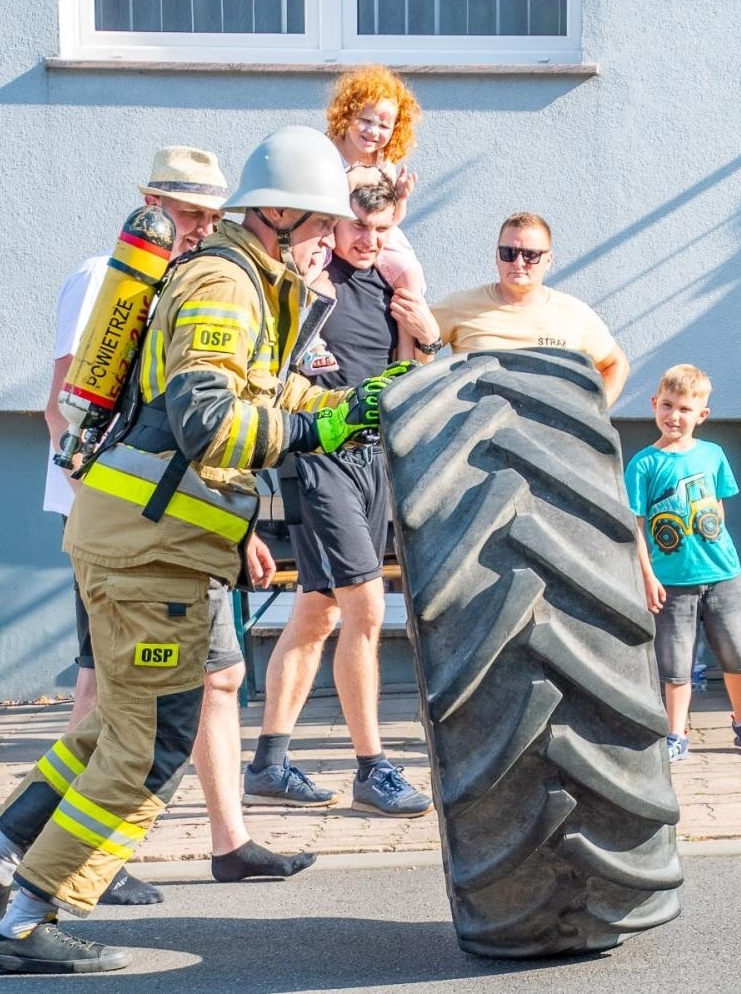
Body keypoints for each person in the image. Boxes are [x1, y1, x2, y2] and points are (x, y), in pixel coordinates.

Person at [0, 126, 411, 974]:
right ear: (274, 213)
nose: (326, 240)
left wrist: (353, 399)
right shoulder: (221, 285)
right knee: (150, 744)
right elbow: (208, 420)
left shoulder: (254, 285)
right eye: (316, 223)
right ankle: (27, 918)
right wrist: (321, 426)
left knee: (113, 732)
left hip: (153, 543)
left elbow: (261, 391)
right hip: (147, 553)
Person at [0, 146, 299, 917]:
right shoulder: (111, 278)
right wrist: (116, 503)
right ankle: (45, 886)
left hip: (165, 530)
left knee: (139, 706)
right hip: (141, 537)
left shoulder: (186, 277)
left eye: (215, 214)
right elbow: (71, 402)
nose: (203, 226)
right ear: (150, 201)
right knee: (130, 722)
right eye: (188, 212)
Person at [244, 174, 435, 817]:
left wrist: (427, 336)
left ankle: (269, 762)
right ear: (330, 223)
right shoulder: (307, 287)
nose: (370, 242)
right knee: (366, 608)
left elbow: (411, 374)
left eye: (382, 232)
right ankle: (371, 767)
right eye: (358, 228)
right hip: (318, 456)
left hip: (372, 459)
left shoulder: (390, 284)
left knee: (318, 611)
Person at [625, 365, 741, 763]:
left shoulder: (713, 455)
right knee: (675, 662)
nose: (674, 416)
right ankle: (676, 732)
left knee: (737, 652)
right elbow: (636, 526)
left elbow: (718, 508)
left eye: (684, 409)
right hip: (671, 583)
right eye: (667, 406)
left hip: (723, 576)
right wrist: (647, 576)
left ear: (702, 415)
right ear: (653, 405)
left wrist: (719, 554)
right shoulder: (643, 464)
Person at [422, 212, 628, 405]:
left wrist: (592, 415)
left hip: (550, 439)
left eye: (530, 255)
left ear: (548, 260)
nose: (518, 263)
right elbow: (416, 355)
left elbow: (616, 365)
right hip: (475, 436)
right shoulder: (459, 305)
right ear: (496, 256)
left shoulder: (575, 314)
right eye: (508, 253)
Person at [325, 65, 439, 362]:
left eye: (384, 126)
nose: (372, 132)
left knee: (411, 277)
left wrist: (400, 198)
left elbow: (388, 220)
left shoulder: (384, 165)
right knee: (311, 274)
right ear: (346, 114)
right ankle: (311, 342)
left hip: (384, 234)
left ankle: (405, 354)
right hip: (327, 229)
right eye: (365, 120)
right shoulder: (327, 154)